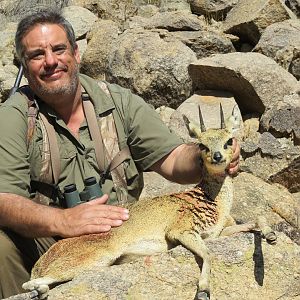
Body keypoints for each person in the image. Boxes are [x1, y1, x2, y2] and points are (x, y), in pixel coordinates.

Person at [0, 9, 240, 298]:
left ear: (76, 54)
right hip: (47, 238)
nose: (51, 61)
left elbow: (175, 160)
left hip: (119, 232)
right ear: (24, 66)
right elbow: (4, 200)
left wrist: (209, 153)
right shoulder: (13, 117)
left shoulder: (118, 102)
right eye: (37, 54)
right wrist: (63, 220)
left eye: (59, 49)